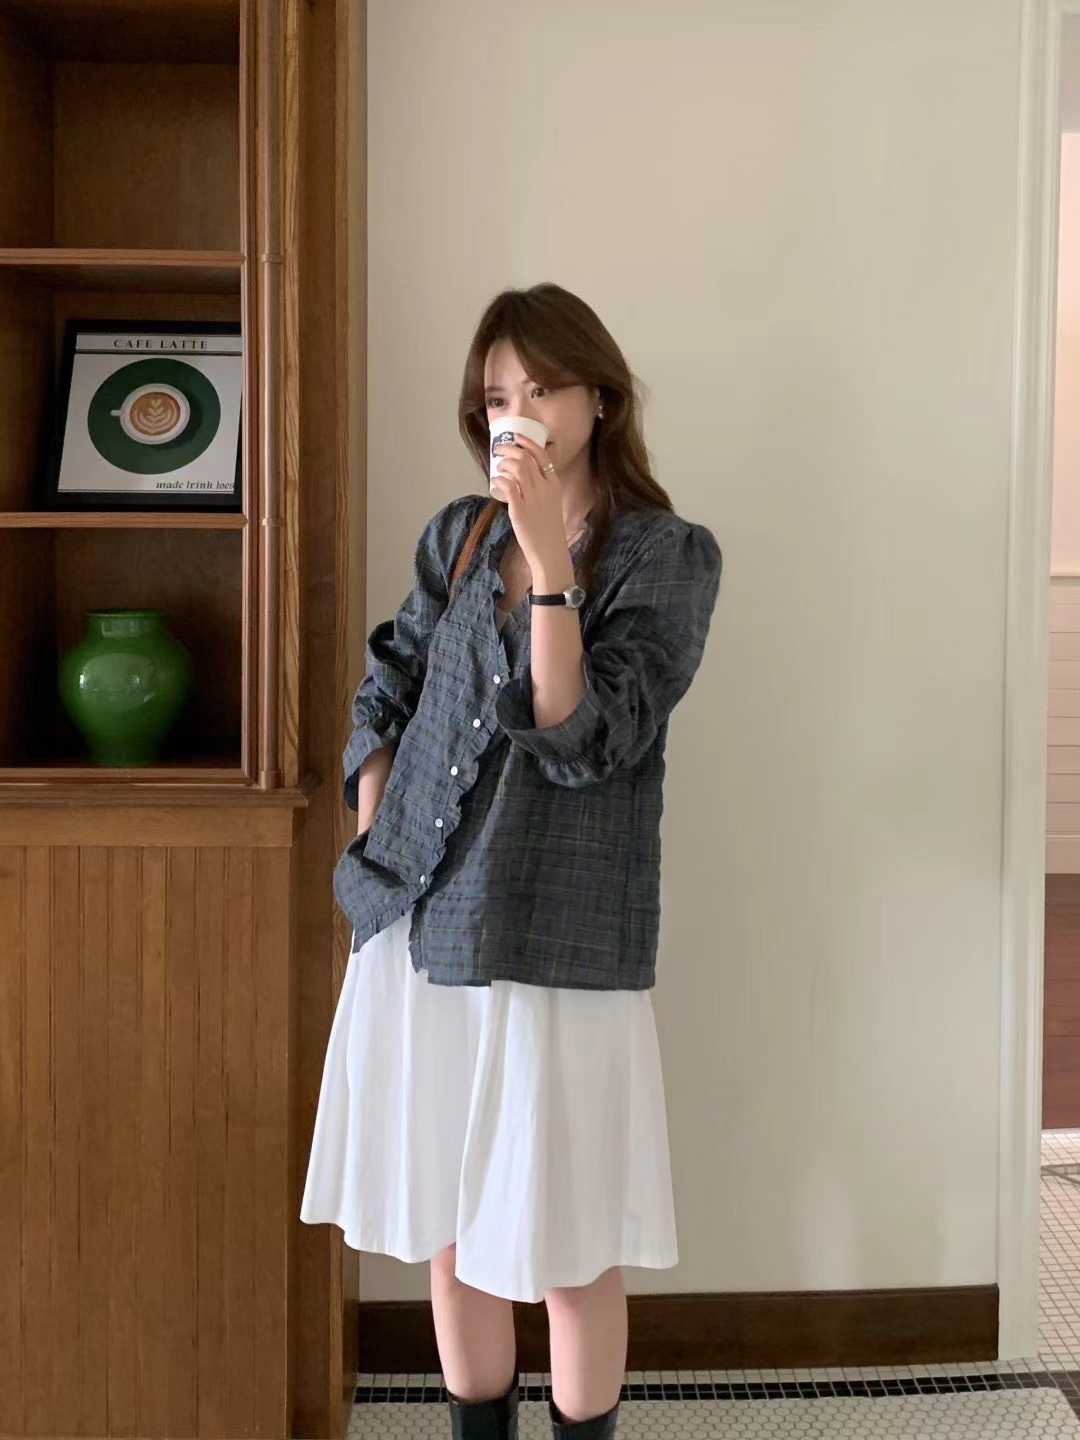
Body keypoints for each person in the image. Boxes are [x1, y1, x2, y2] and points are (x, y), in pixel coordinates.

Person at [300, 282, 724, 1439]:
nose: (517, 414)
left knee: (569, 1246)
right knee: (451, 1227)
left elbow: (582, 734)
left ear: (600, 398)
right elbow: (390, 675)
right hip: (420, 919)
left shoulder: (668, 556)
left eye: (540, 388)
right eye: (496, 396)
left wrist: (548, 561)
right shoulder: (458, 534)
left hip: (554, 940)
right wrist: (372, 793)